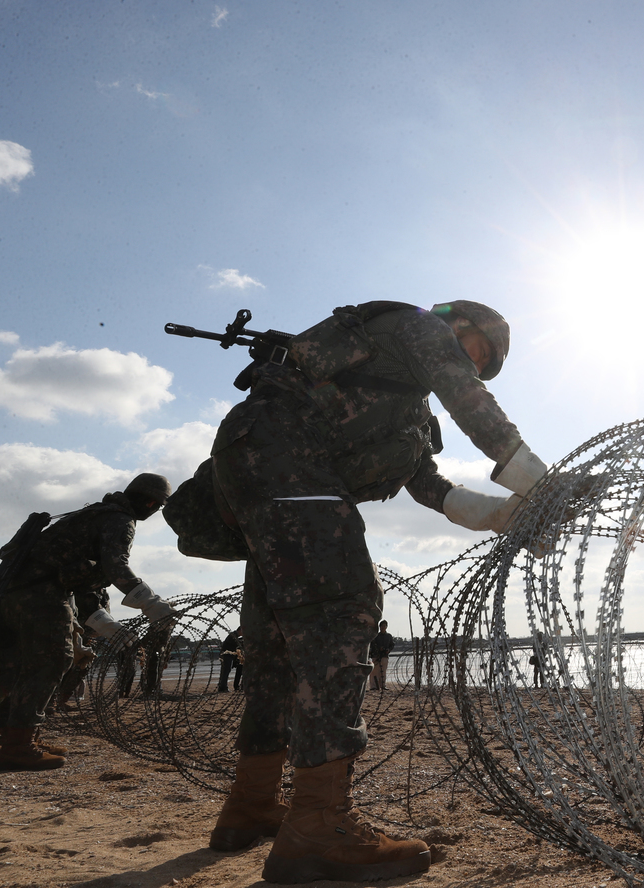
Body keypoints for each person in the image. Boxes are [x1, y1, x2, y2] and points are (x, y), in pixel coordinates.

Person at [203, 299, 561, 883]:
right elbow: (466, 396)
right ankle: (318, 825)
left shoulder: (404, 412)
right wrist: (538, 480)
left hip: (262, 479)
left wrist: (508, 516)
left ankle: (249, 805)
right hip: (289, 465)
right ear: (461, 325)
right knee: (345, 612)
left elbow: (430, 488)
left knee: (273, 648)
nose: (470, 365)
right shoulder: (415, 327)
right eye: (477, 352)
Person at [0, 473, 177, 771]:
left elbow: (80, 579)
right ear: (150, 502)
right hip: (42, 594)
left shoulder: (90, 513)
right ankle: (18, 745)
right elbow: (114, 565)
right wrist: (150, 603)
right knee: (53, 660)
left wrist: (109, 626)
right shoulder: (119, 520)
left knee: (13, 670)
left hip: (7, 595)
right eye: (157, 506)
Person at [368, 621, 394, 692]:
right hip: (376, 656)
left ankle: (383, 685)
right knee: (374, 672)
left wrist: (388, 650)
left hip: (385, 656)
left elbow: (392, 645)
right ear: (380, 627)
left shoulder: (389, 636)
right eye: (382, 626)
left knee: (383, 672)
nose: (383, 627)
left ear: (386, 627)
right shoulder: (375, 636)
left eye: (384, 626)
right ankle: (373, 686)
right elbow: (372, 645)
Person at [219, 627, 244, 693]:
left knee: (225, 671)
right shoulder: (233, 635)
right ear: (240, 630)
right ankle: (223, 687)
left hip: (229, 655)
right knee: (226, 671)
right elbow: (236, 643)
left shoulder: (235, 635)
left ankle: (222, 686)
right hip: (227, 654)